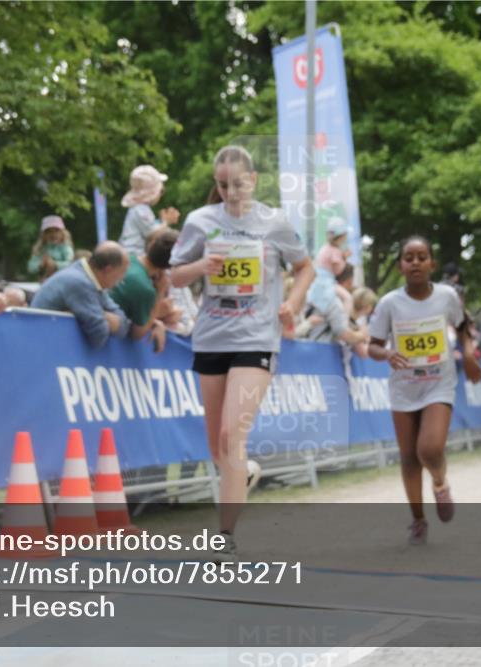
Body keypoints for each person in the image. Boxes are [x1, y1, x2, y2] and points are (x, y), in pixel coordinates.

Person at [169, 145, 315, 560]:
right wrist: (202, 268)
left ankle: (225, 537)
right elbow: (176, 273)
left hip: (256, 338)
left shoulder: (274, 222)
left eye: (237, 183)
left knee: (234, 436)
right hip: (212, 337)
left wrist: (294, 302)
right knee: (218, 447)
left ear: (252, 180)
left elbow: (306, 267)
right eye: (221, 184)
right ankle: (244, 474)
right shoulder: (200, 221)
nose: (230, 192)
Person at [367, 236, 481, 545]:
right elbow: (372, 346)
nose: (415, 262)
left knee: (429, 450)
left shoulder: (446, 296)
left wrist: (469, 355)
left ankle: (441, 483)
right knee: (408, 458)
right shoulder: (389, 303)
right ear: (400, 265)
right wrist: (388, 354)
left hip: (438, 384)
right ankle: (418, 520)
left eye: (422, 257)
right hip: (404, 387)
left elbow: (462, 328)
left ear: (432, 263)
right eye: (409, 257)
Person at [31, 242, 131, 348]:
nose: (122, 279)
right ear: (108, 270)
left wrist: (101, 315)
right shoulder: (80, 282)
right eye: (123, 272)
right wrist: (107, 319)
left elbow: (123, 324)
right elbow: (98, 336)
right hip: (43, 344)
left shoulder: (91, 277)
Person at [109, 229, 180, 353]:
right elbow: (138, 334)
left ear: (151, 245)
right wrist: (160, 292)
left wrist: (155, 322)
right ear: (171, 265)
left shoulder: (126, 259)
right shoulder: (145, 289)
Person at [118, 165, 179, 255]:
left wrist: (162, 222)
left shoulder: (139, 208)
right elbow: (152, 235)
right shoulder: (141, 209)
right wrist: (166, 222)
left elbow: (150, 228)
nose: (161, 195)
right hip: (134, 255)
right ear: (152, 192)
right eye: (161, 191)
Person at [27, 214, 74, 281]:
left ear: (63, 233)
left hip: (62, 280)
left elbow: (71, 264)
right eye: (49, 231)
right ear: (44, 235)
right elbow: (31, 267)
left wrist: (55, 264)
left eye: (56, 231)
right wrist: (41, 264)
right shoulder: (40, 249)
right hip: (45, 281)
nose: (53, 234)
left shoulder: (66, 248)